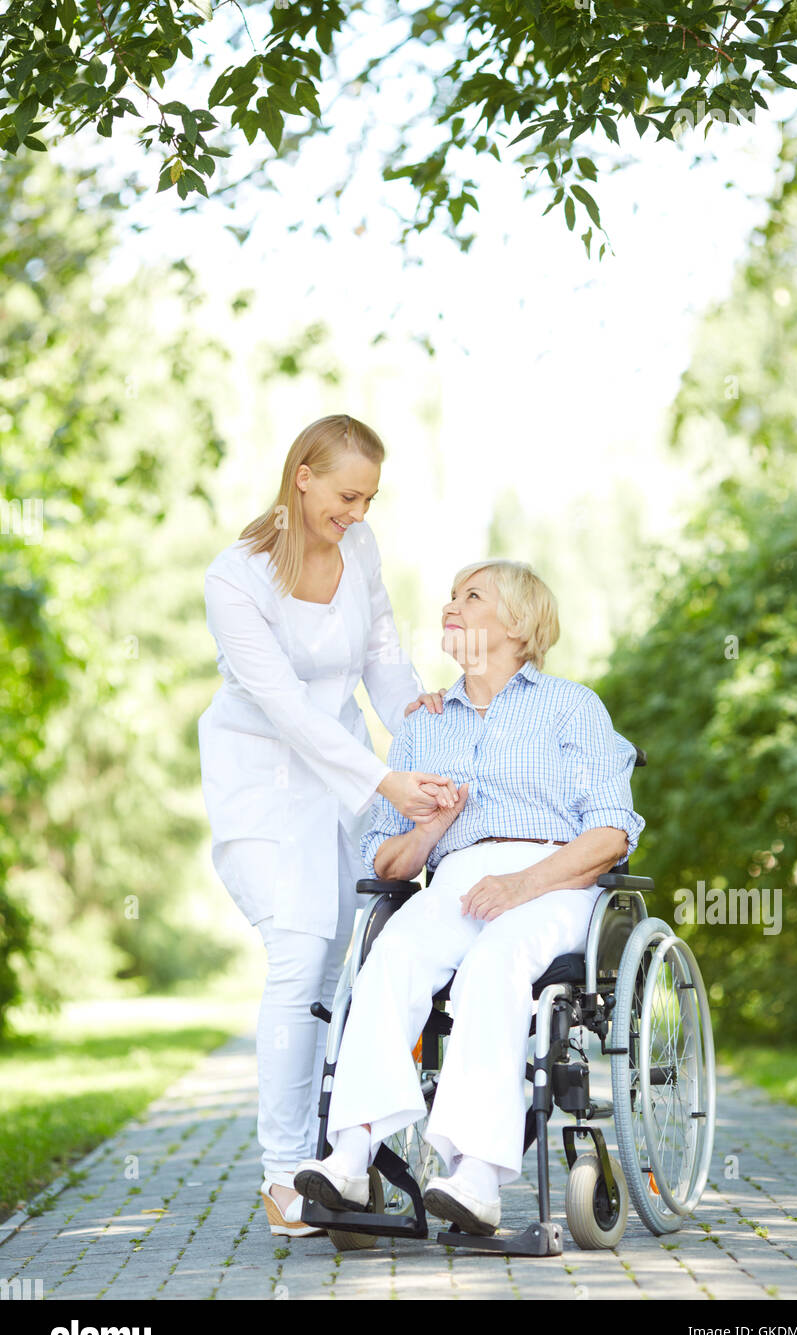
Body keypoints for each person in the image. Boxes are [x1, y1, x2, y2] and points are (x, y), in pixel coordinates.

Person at [293, 558, 645, 1235]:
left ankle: (477, 1176)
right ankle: (350, 1157)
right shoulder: (423, 726)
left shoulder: (572, 706)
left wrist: (522, 884)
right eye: (451, 595)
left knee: (495, 961)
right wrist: (432, 826)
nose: (450, 606)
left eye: (472, 596)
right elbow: (385, 858)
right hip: (455, 879)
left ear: (518, 624)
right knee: (389, 959)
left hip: (555, 879)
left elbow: (610, 834)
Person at [197, 414, 458, 1237]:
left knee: (338, 968)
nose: (358, 512)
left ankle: (332, 1156)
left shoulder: (360, 549)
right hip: (263, 785)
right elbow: (283, 706)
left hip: (343, 787)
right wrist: (384, 778)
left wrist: (419, 729)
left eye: (369, 499)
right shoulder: (235, 578)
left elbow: (381, 654)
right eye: (347, 495)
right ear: (302, 476)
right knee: (298, 955)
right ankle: (282, 1177)